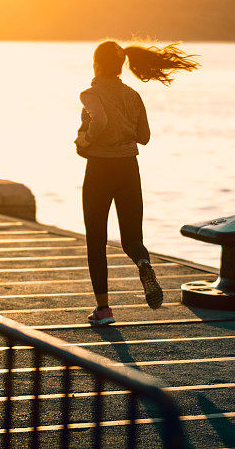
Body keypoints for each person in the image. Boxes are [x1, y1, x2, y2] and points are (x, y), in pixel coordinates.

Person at [74, 40, 200, 325]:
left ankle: (104, 309)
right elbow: (144, 136)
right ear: (119, 66)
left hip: (100, 170)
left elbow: (100, 120)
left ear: (95, 65)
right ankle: (143, 263)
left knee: (96, 240)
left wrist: (87, 139)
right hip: (129, 169)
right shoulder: (133, 96)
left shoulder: (89, 94)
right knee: (132, 238)